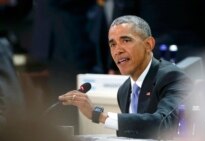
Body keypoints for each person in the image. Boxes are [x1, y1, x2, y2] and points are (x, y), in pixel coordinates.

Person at [59, 15, 192, 139]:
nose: (118, 50)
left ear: (148, 45)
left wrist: (99, 115)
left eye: (126, 40)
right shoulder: (124, 90)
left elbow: (164, 124)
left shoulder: (171, 77)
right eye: (113, 44)